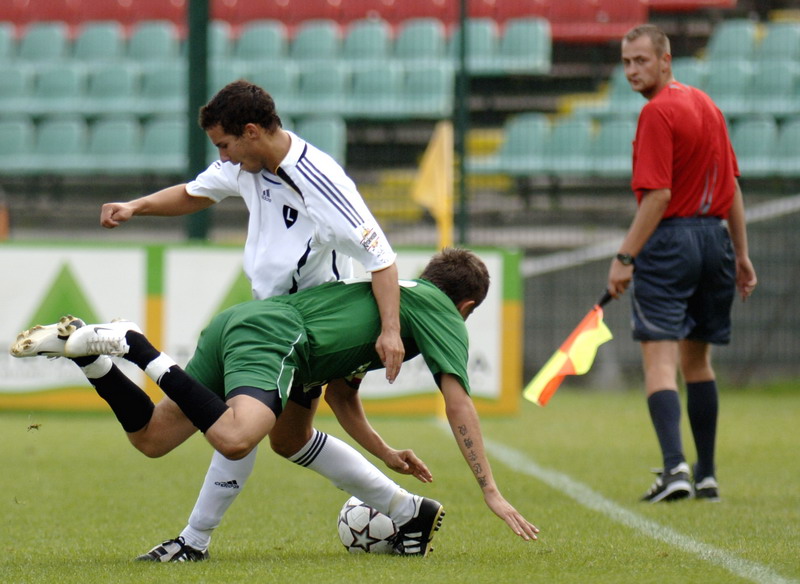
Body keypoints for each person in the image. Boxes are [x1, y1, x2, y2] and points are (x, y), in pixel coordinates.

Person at [11, 248, 540, 555]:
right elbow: (459, 404)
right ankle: (134, 343)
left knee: (158, 438)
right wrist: (490, 490)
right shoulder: (441, 310)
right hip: (280, 339)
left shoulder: (398, 298)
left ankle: (88, 356)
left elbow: (342, 395)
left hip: (250, 328)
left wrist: (385, 452)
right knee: (239, 435)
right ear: (466, 306)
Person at [97, 80, 407, 560]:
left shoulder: (322, 180)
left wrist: (389, 331)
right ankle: (406, 510)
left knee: (241, 430)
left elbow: (381, 258)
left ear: (250, 131)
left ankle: (193, 542)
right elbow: (195, 193)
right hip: (265, 320)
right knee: (272, 438)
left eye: (224, 145)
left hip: (300, 332)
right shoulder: (248, 164)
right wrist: (137, 206)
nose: (222, 157)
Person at [606, 25, 757, 503]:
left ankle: (675, 470)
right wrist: (742, 254)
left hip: (671, 241)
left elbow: (659, 195)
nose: (632, 70)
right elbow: (731, 186)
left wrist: (625, 255)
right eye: (626, 62)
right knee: (699, 361)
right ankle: (706, 473)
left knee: (660, 360)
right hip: (715, 242)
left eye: (641, 61)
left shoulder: (657, 113)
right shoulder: (708, 107)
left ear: (666, 60)